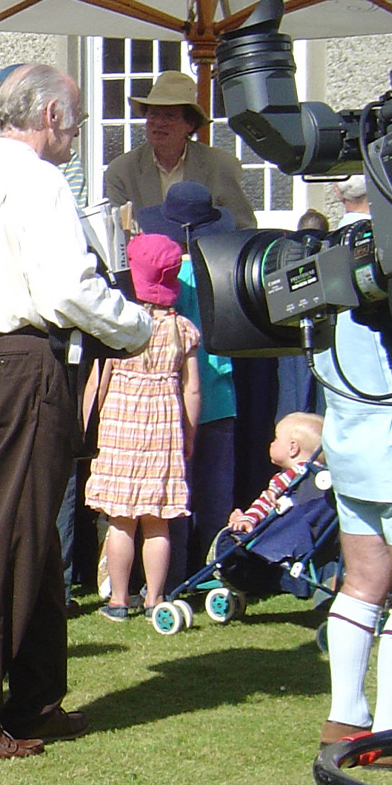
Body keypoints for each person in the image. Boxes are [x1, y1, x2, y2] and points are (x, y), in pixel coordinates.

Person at [0, 64, 151, 759]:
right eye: (78, 119)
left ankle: (35, 699)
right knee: (7, 544)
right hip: (24, 362)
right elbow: (68, 290)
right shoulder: (39, 181)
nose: (79, 133)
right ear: (51, 115)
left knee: (32, 542)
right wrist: (138, 327)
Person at [84, 234, 201, 622]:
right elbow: (193, 388)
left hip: (121, 423)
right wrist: (189, 434)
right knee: (157, 520)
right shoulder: (182, 329)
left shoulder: (122, 324)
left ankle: (119, 599)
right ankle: (154, 598)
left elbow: (99, 382)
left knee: (120, 519)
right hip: (164, 423)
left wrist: (89, 424)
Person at [137, 181, 240, 589]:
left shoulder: (158, 272)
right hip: (217, 389)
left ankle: (171, 579)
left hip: (169, 395)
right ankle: (218, 574)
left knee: (171, 497)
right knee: (216, 496)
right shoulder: (223, 265)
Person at [312, 281, 392, 746]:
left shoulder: (315, 259)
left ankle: (345, 717)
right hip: (384, 434)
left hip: (348, 440)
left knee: (362, 584)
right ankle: (387, 730)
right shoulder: (379, 257)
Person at [103, 69, 257, 231]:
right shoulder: (122, 171)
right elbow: (117, 235)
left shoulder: (221, 166)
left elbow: (243, 228)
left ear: (190, 124)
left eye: (169, 116)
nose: (159, 123)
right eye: (153, 114)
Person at [226, 412, 323, 535]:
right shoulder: (323, 477)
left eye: (276, 438)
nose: (272, 443)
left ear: (293, 448)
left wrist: (248, 519)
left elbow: (266, 501)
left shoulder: (294, 475)